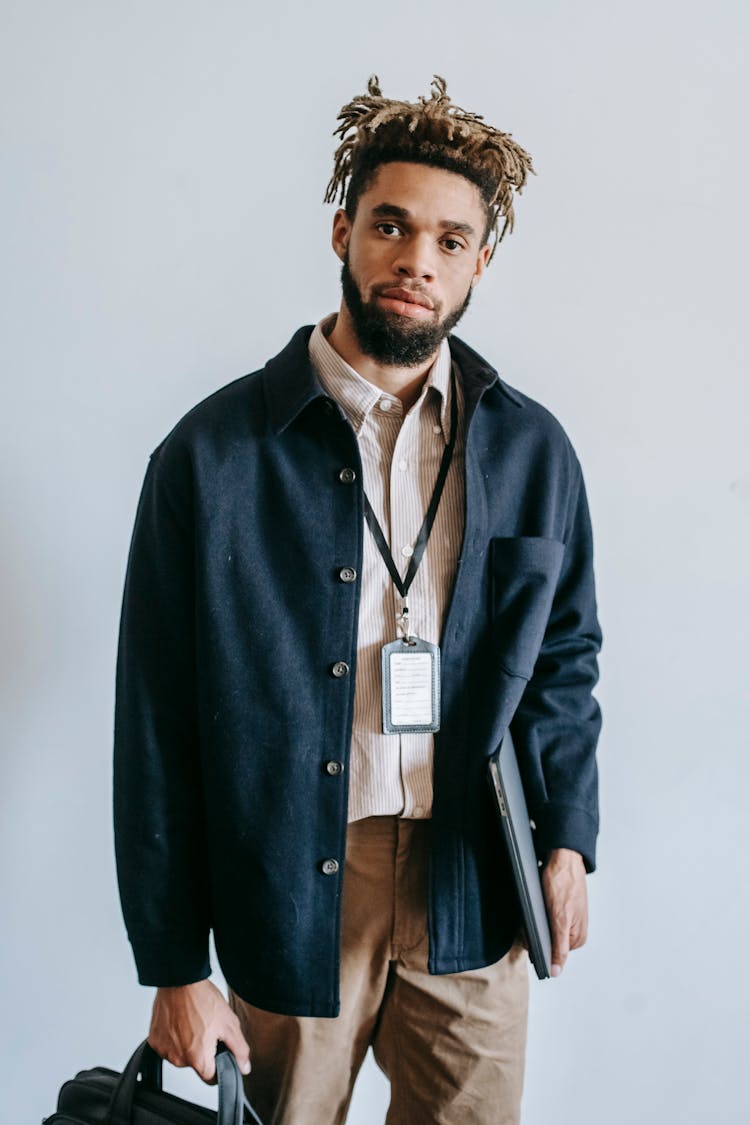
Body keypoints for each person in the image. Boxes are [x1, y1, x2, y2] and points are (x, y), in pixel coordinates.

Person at [114, 75, 602, 1124]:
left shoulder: (531, 450)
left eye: (450, 240)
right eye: (391, 225)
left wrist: (567, 839)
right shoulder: (212, 457)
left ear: (479, 262)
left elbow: (566, 653)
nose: (416, 260)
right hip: (289, 884)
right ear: (344, 229)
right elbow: (152, 717)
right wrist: (172, 964)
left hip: (471, 877)